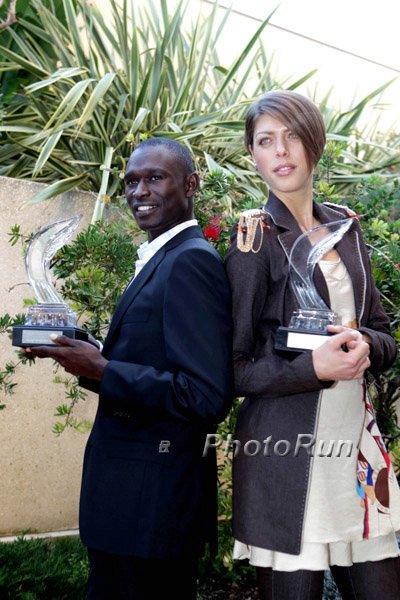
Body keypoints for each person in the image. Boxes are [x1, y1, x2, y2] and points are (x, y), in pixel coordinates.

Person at [27, 138, 233, 600]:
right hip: (131, 506)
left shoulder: (190, 262)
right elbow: (152, 361)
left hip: (152, 508)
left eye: (155, 178)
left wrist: (102, 369)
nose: (140, 190)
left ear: (191, 184)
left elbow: (205, 395)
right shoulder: (163, 258)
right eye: (131, 181)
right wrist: (78, 352)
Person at [224, 90, 400, 600]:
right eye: (265, 141)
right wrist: (314, 368)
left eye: (292, 137)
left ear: (314, 144)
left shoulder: (346, 228)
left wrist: (365, 343)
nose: (281, 151)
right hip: (286, 461)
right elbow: (232, 370)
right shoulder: (251, 241)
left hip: (360, 459)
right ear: (253, 155)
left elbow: (386, 336)